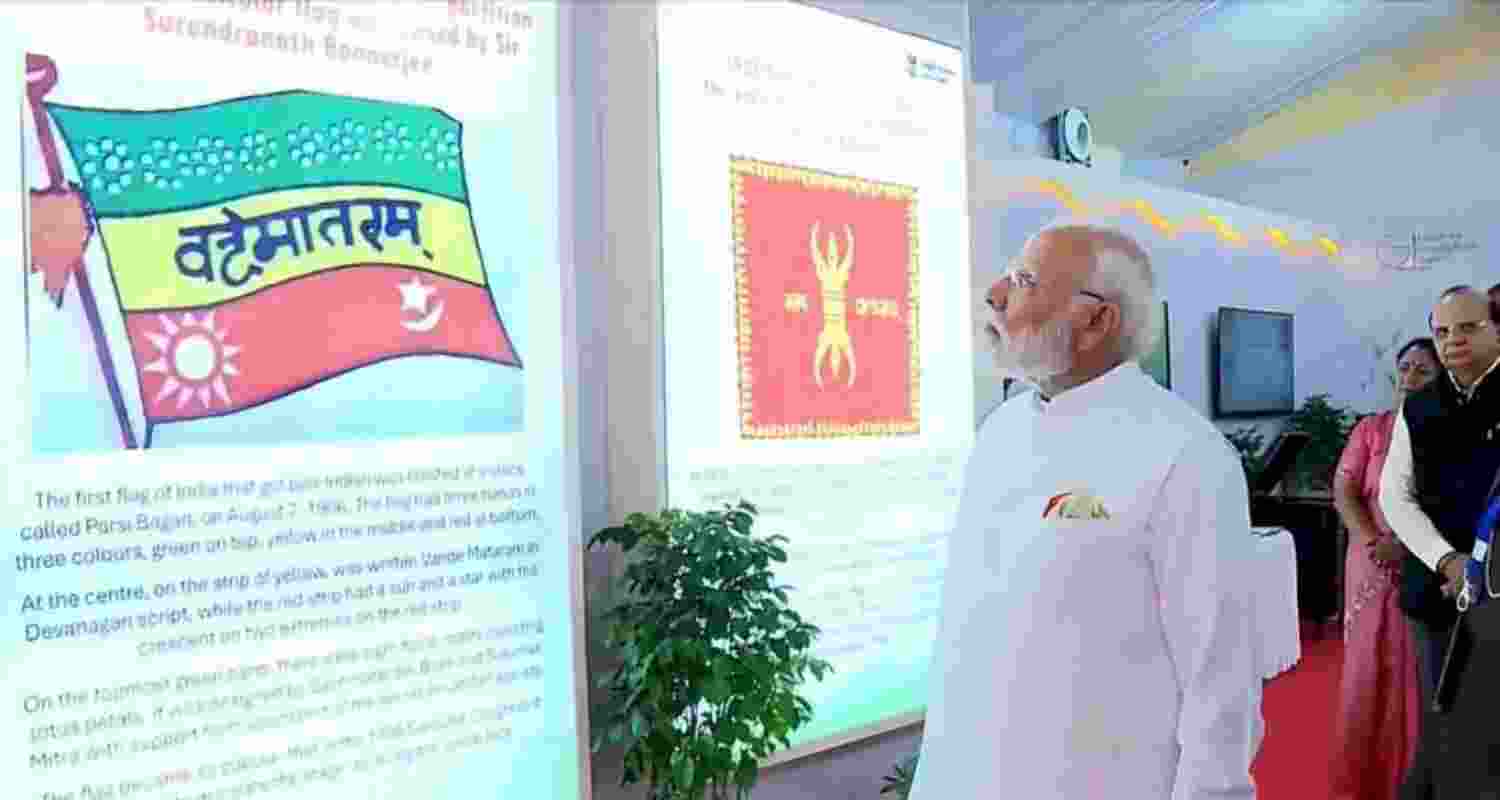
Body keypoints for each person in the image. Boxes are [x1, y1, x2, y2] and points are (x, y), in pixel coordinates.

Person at [910, 222, 1261, 800]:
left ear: (1096, 320)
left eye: (1024, 281)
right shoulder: (1000, 431)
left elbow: (1220, 675)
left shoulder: (1184, 454)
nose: (995, 294)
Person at [1381, 286, 1500, 799]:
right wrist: (1445, 560)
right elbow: (1395, 496)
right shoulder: (1419, 406)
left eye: (1468, 328)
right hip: (1437, 592)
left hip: (1499, 595)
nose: (1454, 341)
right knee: (1443, 718)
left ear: (1496, 328)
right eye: (1443, 331)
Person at [1328, 337, 1438, 800]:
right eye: (1405, 368)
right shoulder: (1371, 430)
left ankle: (1411, 786)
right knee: (1364, 675)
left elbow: (1451, 504)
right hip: (1369, 566)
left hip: (1422, 567)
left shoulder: (1448, 435)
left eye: (1422, 371)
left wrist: (1409, 547)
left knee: (1415, 674)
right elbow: (1345, 487)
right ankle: (1362, 785)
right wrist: (1370, 539)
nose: (1410, 378)